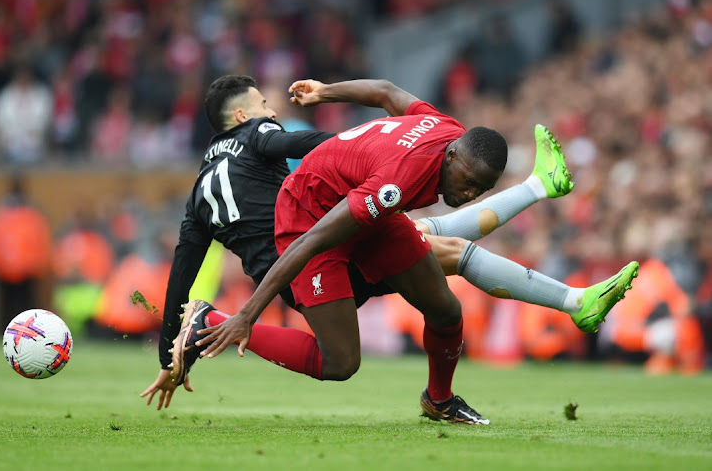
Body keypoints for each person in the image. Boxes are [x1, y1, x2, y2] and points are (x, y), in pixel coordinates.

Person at [141, 76, 638, 421]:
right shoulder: (386, 182)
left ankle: (440, 399)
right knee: (343, 361)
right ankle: (208, 321)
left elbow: (385, 92)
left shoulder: (445, 131)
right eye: (466, 182)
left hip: (346, 207)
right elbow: (315, 233)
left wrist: (329, 94)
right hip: (305, 226)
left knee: (445, 307)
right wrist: (246, 314)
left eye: (478, 190)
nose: (468, 192)